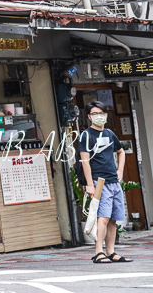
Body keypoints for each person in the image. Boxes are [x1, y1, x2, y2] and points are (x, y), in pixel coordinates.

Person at [79, 101, 129, 263]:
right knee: (103, 217)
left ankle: (111, 251)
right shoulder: (86, 136)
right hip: (99, 181)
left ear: (106, 115)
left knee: (113, 218)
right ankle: (98, 252)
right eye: (94, 114)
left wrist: (120, 170)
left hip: (114, 182)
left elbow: (121, 152)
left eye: (101, 113)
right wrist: (90, 185)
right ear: (88, 116)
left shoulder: (109, 133)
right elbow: (84, 162)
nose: (98, 116)